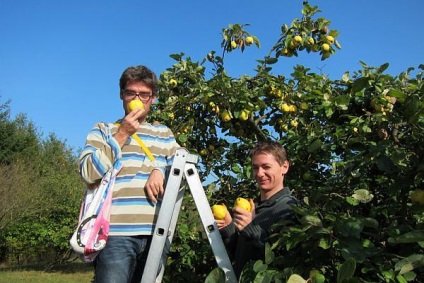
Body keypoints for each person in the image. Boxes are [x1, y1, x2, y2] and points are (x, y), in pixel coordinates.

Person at [79, 65, 180, 283]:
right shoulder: (103, 130)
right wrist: (122, 133)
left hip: (157, 233)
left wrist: (159, 169)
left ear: (153, 98)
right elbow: (88, 173)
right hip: (115, 234)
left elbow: (184, 174)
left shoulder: (163, 133)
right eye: (131, 92)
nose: (137, 98)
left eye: (144, 94)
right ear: (121, 95)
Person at [215, 140, 299, 279]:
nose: (259, 174)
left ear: (284, 167)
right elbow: (243, 255)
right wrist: (230, 230)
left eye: (266, 167)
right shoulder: (253, 207)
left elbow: (284, 262)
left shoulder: (289, 208)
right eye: (255, 167)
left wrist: (252, 229)